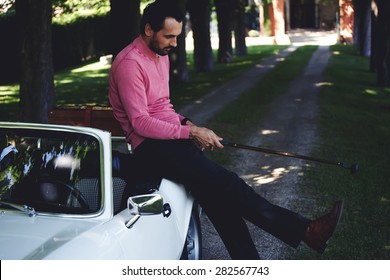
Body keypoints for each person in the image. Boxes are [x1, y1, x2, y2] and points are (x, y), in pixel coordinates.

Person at [109, 0, 343, 260]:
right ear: (149, 29)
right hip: (149, 148)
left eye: (177, 36)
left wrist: (189, 125)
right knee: (227, 184)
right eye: (169, 36)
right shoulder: (129, 63)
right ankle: (307, 230)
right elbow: (141, 122)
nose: (174, 43)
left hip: (169, 142)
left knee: (219, 199)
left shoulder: (160, 56)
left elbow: (163, 106)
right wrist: (192, 134)